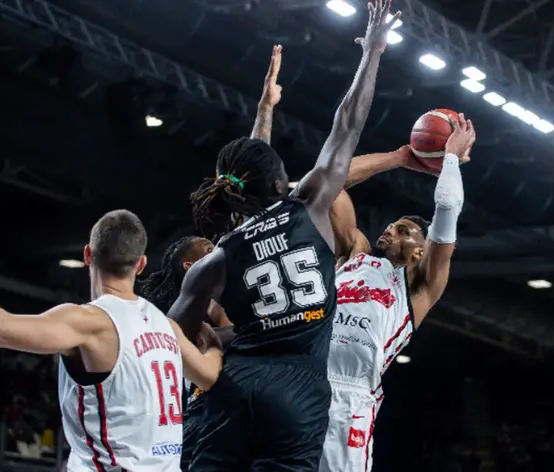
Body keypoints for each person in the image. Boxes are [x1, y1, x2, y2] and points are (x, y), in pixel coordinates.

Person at [166, 2, 401, 470]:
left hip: (235, 386)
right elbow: (347, 126)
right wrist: (372, 51)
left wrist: (214, 346)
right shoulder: (308, 207)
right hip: (300, 393)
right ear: (283, 185)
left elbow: (169, 333)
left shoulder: (221, 255)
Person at [0, 209, 223, 471]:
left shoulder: (90, 322)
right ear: (140, 265)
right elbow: (209, 375)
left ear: (87, 254)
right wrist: (214, 344)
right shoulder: (168, 327)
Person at [319, 114, 474, 472]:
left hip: (351, 398)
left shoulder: (420, 287)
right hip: (302, 376)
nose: (389, 230)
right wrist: (401, 157)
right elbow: (330, 183)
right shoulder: (353, 255)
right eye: (390, 225)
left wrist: (450, 157)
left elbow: (448, 207)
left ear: (421, 251)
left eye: (402, 230)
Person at [138, 235, 228, 471]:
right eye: (210, 249)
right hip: (189, 419)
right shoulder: (178, 316)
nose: (218, 252)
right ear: (189, 266)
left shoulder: (218, 301)